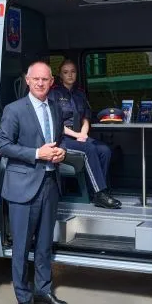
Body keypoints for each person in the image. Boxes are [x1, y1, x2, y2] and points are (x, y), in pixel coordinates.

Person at [0, 61, 68, 304]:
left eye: (45, 79)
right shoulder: (14, 110)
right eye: (35, 79)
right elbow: (2, 145)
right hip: (23, 188)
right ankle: (23, 299)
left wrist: (61, 152)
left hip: (50, 184)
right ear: (27, 80)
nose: (40, 83)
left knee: (44, 245)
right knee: (22, 246)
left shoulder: (56, 107)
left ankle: (44, 290)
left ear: (51, 82)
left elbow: (58, 140)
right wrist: (38, 154)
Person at [51, 60, 121, 209]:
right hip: (62, 138)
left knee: (104, 150)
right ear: (60, 75)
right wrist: (77, 135)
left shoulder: (80, 93)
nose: (70, 75)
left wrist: (83, 132)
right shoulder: (54, 93)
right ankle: (100, 193)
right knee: (89, 149)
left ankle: (96, 189)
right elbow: (55, 123)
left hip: (79, 135)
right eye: (65, 72)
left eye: (73, 71)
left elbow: (86, 117)